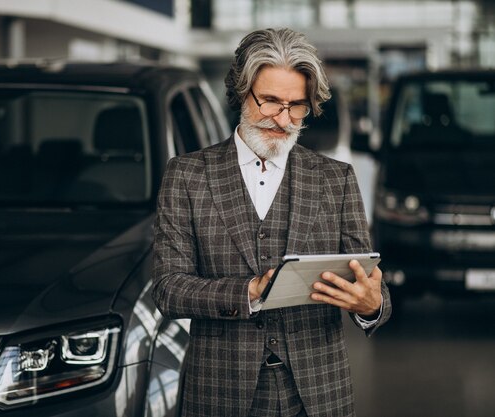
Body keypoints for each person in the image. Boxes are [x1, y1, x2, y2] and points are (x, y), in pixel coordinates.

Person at [152, 27, 391, 417]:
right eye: (270, 102)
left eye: (296, 106)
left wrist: (371, 306)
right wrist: (249, 291)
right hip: (219, 391)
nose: (283, 119)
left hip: (319, 393)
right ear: (240, 93)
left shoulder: (337, 179)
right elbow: (167, 289)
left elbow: (369, 286)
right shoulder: (186, 174)